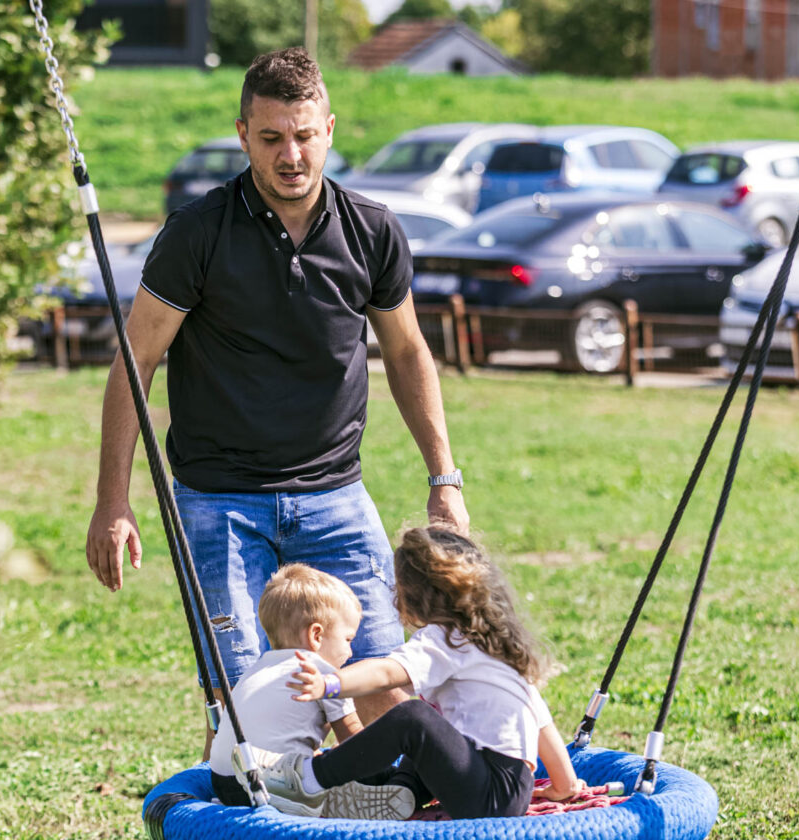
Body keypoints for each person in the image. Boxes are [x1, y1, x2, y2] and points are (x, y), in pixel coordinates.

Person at [84, 45, 469, 744]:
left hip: (336, 495)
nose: (290, 154)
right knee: (245, 708)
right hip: (219, 500)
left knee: (387, 684)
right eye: (270, 138)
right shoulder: (197, 234)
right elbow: (135, 360)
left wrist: (444, 477)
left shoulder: (372, 231)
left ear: (329, 128)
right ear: (243, 136)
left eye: (303, 134)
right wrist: (114, 501)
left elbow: (408, 352)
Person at [252, 527, 586, 820]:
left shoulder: (447, 639)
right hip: (508, 789)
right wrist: (564, 785)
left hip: (486, 793)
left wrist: (331, 683)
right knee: (434, 731)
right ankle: (399, 794)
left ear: (414, 595)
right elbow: (542, 723)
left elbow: (386, 672)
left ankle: (307, 781)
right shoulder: (499, 649)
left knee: (414, 717)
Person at [209, 564, 415, 820]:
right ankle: (343, 800)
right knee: (366, 770)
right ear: (316, 635)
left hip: (223, 780)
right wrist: (386, 775)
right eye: (348, 640)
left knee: (314, 760)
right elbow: (356, 742)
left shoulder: (256, 669)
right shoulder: (319, 672)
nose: (350, 652)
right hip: (269, 782)